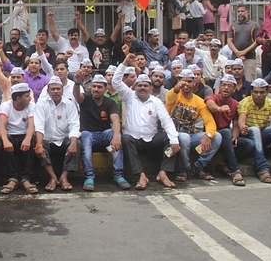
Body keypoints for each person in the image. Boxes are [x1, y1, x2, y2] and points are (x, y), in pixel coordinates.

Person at [113, 57, 180, 189]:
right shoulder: (129, 96)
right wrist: (125, 62)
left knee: (172, 138)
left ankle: (163, 172)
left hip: (152, 138)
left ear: (150, 88)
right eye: (139, 85)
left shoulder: (156, 102)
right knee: (125, 138)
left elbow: (166, 120)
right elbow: (116, 81)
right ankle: (141, 175)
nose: (142, 88)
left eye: (145, 85)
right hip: (134, 139)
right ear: (135, 87)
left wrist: (174, 139)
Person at [74, 73, 128, 191]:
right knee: (85, 135)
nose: (96, 89)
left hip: (103, 134)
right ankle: (89, 176)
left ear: (105, 89)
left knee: (114, 134)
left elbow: (115, 121)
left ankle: (119, 175)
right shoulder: (85, 98)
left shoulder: (110, 103)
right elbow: (77, 96)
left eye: (99, 87)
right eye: (94, 86)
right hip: (88, 135)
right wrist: (77, 83)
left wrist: (115, 137)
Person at [166, 69, 221, 182]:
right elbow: (169, 98)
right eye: (183, 80)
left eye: (189, 81)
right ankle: (184, 169)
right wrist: (177, 88)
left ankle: (198, 167)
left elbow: (210, 122)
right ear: (178, 81)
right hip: (172, 135)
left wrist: (208, 135)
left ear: (195, 82)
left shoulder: (199, 101)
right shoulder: (175, 94)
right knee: (184, 137)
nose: (186, 84)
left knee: (217, 137)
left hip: (191, 135)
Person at [204, 74, 254, 187]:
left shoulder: (236, 104)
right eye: (224, 85)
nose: (226, 88)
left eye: (229, 86)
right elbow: (211, 105)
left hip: (226, 138)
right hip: (211, 134)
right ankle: (235, 170)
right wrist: (219, 109)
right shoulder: (213, 98)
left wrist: (234, 138)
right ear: (220, 87)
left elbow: (236, 124)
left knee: (249, 144)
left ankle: (223, 163)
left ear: (234, 89)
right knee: (226, 132)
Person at [237, 78, 271, 183]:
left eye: (262, 92)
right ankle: (262, 169)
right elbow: (241, 119)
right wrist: (243, 126)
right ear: (251, 92)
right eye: (256, 92)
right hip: (248, 133)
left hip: (261, 132)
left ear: (267, 92)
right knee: (255, 130)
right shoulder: (245, 102)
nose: (259, 95)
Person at [34, 76, 80, 192]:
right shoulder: (41, 103)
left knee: (77, 143)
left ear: (62, 90)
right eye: (53, 89)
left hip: (63, 140)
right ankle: (53, 177)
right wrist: (39, 145)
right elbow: (39, 125)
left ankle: (64, 177)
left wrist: (73, 143)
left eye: (58, 89)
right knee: (37, 144)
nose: (55, 91)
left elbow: (74, 125)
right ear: (48, 91)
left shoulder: (69, 104)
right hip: (48, 140)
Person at [0, 83, 37, 194]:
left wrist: (28, 138)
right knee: (4, 141)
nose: (29, 98)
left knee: (31, 141)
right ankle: (12, 178)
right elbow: (1, 125)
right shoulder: (6, 106)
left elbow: (31, 125)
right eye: (27, 96)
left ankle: (26, 178)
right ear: (18, 99)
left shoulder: (31, 106)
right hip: (10, 135)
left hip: (24, 134)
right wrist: (5, 140)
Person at [227, 4, 260, 82]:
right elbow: (229, 41)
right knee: (234, 81)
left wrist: (244, 52)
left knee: (249, 80)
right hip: (235, 57)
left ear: (248, 12)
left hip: (249, 57)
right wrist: (238, 52)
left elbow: (257, 41)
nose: (240, 13)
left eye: (242, 11)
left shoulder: (254, 25)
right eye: (238, 11)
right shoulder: (233, 25)